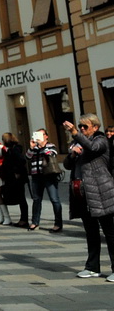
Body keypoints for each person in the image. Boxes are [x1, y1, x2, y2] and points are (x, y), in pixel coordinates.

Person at [62, 115, 114, 280]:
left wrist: (75, 132)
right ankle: (92, 267)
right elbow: (67, 165)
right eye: (80, 126)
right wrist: (71, 154)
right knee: (91, 232)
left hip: (101, 192)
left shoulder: (101, 141)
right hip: (83, 193)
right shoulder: (79, 142)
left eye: (85, 126)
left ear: (95, 127)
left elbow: (91, 148)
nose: (82, 129)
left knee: (110, 232)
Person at [26, 128, 63, 232]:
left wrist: (42, 146)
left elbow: (51, 154)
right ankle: (35, 222)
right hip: (36, 176)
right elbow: (27, 157)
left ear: (46, 136)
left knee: (54, 199)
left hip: (49, 175)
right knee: (36, 199)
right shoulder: (34, 147)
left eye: (41, 135)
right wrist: (31, 147)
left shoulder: (50, 146)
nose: (39, 137)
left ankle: (58, 224)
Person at [0, 132, 29, 228]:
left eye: (3, 139)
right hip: (15, 177)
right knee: (21, 198)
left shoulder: (14, 150)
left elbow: (21, 160)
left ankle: (24, 219)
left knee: (21, 198)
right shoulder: (13, 149)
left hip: (17, 178)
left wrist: (16, 171)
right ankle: (23, 219)